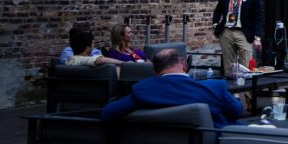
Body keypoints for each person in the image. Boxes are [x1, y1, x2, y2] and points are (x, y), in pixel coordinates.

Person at [100, 48, 243, 128]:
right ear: (183, 64)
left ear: (155, 70)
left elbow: (107, 113)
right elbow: (236, 111)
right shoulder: (214, 88)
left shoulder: (143, 90)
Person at [212, 0, 263, 74]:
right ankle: (231, 89)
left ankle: (246, 90)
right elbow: (217, 11)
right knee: (229, 66)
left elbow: (258, 17)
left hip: (243, 33)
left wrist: (257, 37)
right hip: (226, 32)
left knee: (247, 64)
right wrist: (215, 25)